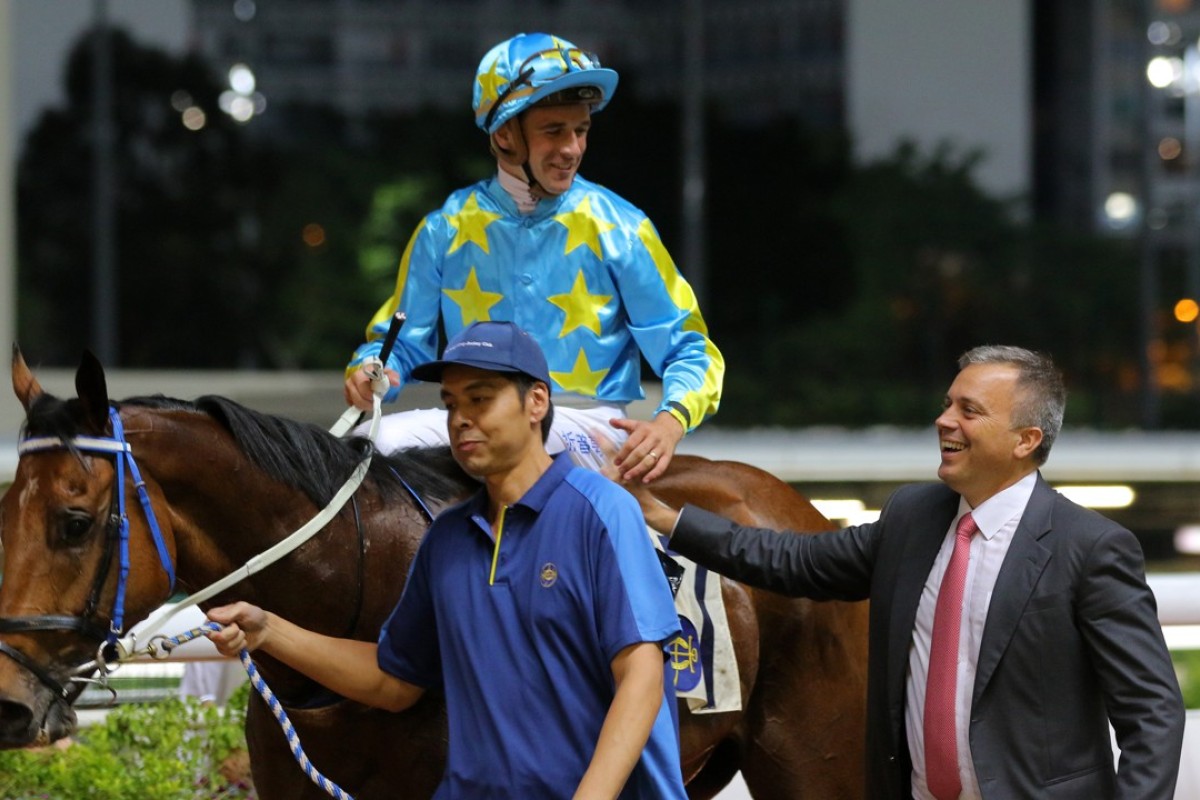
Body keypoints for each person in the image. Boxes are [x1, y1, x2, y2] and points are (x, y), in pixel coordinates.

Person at [629, 345, 1185, 800]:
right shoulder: (912, 518)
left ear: (1026, 441)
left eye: (969, 410)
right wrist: (669, 520)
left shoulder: (1092, 547)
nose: (944, 420)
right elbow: (793, 561)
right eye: (947, 404)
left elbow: (1153, 712)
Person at [209, 321, 687, 798]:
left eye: (480, 399)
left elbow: (641, 676)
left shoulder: (603, 510)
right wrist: (270, 630)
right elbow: (393, 679)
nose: (460, 418)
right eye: (451, 403)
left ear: (536, 402)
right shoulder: (448, 539)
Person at [344, 31, 723, 483]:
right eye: (553, 131)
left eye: (581, 130)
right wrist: (372, 370)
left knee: (517, 442)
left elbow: (691, 349)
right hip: (477, 423)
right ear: (505, 133)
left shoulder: (621, 227)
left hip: (588, 427)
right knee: (368, 444)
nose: (572, 149)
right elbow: (401, 342)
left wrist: (669, 422)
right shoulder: (443, 229)